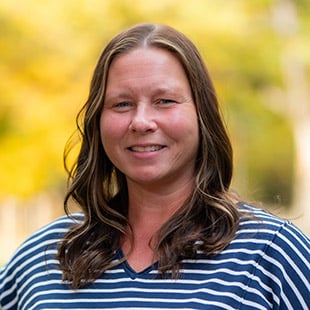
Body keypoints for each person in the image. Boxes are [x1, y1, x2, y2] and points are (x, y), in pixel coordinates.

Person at [0, 23, 309, 310]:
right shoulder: (43, 257)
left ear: (203, 115)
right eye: (122, 104)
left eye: (164, 101)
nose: (141, 122)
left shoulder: (271, 253)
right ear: (98, 121)